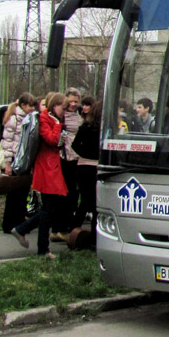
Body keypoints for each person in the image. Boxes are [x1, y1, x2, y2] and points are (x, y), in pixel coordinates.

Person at [10, 92, 68, 259]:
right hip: (46, 168)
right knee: (48, 209)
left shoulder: (51, 119)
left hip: (52, 167)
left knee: (49, 209)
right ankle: (42, 248)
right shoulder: (45, 119)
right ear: (54, 106)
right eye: (62, 108)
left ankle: (23, 230)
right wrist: (57, 125)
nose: (63, 111)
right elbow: (50, 139)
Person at [0, 92, 38, 233]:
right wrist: (8, 163)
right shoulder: (14, 119)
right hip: (15, 159)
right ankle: (9, 224)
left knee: (22, 193)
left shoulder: (28, 118)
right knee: (13, 193)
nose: (32, 108)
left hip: (24, 160)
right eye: (30, 105)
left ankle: (19, 223)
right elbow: (7, 142)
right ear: (23, 105)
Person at [52, 87, 82, 242]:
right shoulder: (62, 116)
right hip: (64, 156)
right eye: (70, 101)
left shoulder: (79, 114)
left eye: (76, 101)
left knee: (73, 193)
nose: (73, 104)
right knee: (63, 193)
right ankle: (58, 227)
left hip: (76, 156)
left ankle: (68, 224)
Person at [71, 97, 101, 235]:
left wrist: (84, 154)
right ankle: (95, 234)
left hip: (83, 165)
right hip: (96, 166)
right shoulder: (103, 131)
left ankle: (74, 228)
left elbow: (75, 145)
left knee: (84, 200)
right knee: (95, 203)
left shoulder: (85, 127)